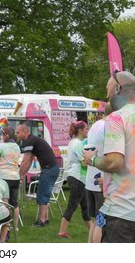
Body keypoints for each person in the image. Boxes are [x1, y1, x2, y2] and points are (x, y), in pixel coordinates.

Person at [83, 71, 135, 243]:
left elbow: (114, 162)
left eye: (108, 89)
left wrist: (92, 159)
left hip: (122, 214)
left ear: (118, 88)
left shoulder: (117, 117)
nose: (107, 95)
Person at [16, 122, 59, 227]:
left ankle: (41, 221)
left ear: (24, 132)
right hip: (52, 168)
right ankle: (46, 219)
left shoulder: (30, 141)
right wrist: (21, 173)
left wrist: (19, 175)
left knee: (42, 195)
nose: (16, 135)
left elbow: (26, 161)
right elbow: (29, 161)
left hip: (49, 169)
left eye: (18, 132)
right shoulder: (33, 140)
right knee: (44, 193)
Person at [57, 121, 91, 239]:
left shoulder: (73, 142)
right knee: (72, 205)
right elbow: (84, 163)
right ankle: (62, 232)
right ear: (80, 130)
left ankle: (92, 231)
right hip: (78, 177)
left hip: (77, 177)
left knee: (85, 207)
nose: (88, 130)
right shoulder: (78, 144)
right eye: (86, 128)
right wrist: (94, 160)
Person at [84, 103, 112, 243]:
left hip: (90, 180)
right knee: (101, 221)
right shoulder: (109, 127)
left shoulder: (94, 126)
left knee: (96, 220)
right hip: (101, 180)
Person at [0, 126, 21, 231]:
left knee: (4, 202)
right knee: (14, 202)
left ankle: (5, 226)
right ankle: (15, 226)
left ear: (5, 135)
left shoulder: (1, 146)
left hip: (3, 177)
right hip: (15, 177)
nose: (1, 136)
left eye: (2, 134)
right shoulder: (17, 146)